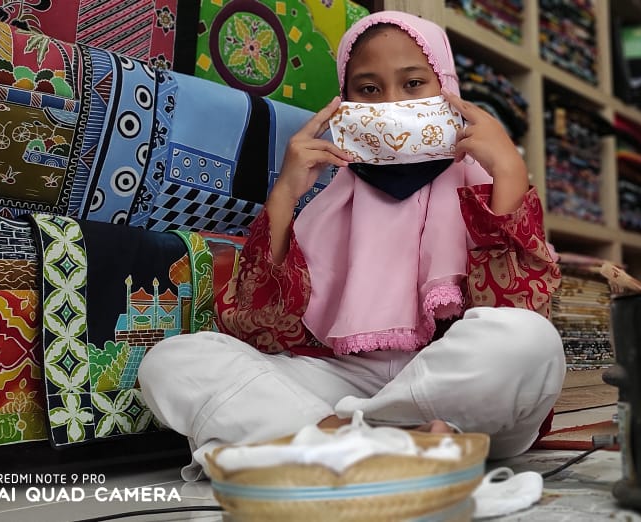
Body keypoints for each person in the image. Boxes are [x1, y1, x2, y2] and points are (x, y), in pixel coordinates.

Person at [137, 10, 566, 481]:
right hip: (342, 380)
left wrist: (507, 173)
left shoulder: (483, 185)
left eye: (414, 84)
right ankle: (382, 442)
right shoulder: (327, 206)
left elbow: (517, 310)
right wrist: (285, 194)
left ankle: (326, 438)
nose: (390, 103)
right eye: (368, 90)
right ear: (344, 103)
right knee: (172, 362)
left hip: (449, 388)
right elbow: (259, 332)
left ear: (446, 86)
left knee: (529, 341)